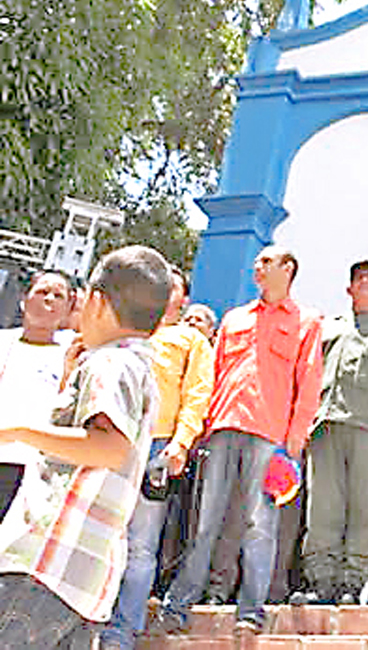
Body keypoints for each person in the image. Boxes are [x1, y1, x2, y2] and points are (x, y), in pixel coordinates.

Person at [0, 245, 171, 648]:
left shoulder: (109, 363)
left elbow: (109, 447)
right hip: (85, 582)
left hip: (44, 561)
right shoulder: (139, 368)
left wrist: (18, 430)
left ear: (95, 301)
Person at [155, 246, 323, 637]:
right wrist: (197, 431)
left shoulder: (307, 321)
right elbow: (211, 376)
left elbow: (309, 381)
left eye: (266, 262)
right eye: (257, 261)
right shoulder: (234, 318)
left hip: (269, 435)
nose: (257, 267)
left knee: (259, 525)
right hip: (223, 427)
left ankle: (251, 609)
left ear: (288, 269)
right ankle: (179, 604)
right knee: (205, 521)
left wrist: (294, 440)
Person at [100, 267, 215, 650]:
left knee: (141, 544)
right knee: (100, 532)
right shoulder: (126, 332)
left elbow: (197, 393)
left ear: (182, 298)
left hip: (158, 446)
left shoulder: (190, 340)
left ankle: (121, 631)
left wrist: (181, 443)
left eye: (171, 288)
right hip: (113, 438)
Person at [294, 260, 368, 605]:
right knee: (323, 508)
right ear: (348, 290)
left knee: (366, 510)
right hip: (327, 426)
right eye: (357, 279)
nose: (364, 282)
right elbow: (308, 376)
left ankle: (353, 581)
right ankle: (320, 581)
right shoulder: (327, 327)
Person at [0, 271, 72, 521]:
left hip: (34, 471)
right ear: (24, 299)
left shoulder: (72, 358)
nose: (49, 299)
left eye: (58, 295)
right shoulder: (3, 342)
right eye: (42, 292)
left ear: (68, 308)